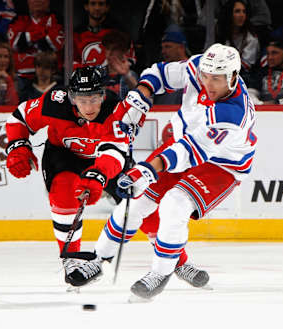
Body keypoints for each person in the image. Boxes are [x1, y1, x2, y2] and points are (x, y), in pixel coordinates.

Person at [66, 44, 257, 300]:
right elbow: (160, 73)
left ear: (233, 76)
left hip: (221, 165)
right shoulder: (200, 66)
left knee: (174, 205)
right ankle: (99, 260)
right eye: (207, 77)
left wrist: (146, 170)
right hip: (183, 143)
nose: (209, 83)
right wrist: (142, 94)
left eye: (217, 79)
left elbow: (190, 152)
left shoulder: (233, 113)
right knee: (135, 203)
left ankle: (161, 272)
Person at [5, 66, 206, 289]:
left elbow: (115, 153)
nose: (89, 107)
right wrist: (18, 146)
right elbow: (19, 117)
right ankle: (71, 259)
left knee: (141, 204)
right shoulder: (54, 102)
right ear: (71, 97)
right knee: (63, 191)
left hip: (108, 160)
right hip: (63, 155)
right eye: (82, 100)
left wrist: (99, 175)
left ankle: (177, 261)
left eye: (94, 98)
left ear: (102, 94)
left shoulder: (117, 111)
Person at [7, 0, 65, 91]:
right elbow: (16, 44)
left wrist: (27, 36)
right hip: (22, 75)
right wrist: (43, 32)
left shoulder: (57, 19)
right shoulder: (19, 19)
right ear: (28, 2)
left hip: (51, 75)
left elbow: (55, 45)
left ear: (48, 2)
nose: (38, 1)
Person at [73, 0, 135, 68]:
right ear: (86, 6)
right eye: (93, 4)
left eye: (101, 4)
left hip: (113, 76)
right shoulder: (77, 34)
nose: (97, 8)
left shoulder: (119, 32)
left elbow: (130, 59)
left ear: (107, 7)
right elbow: (70, 62)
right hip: (85, 77)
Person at [216, 0, 260, 85]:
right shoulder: (221, 33)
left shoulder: (251, 38)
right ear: (229, 14)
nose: (241, 15)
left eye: (244, 11)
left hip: (245, 78)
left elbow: (246, 66)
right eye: (237, 11)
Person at [154, 30, 189, 105]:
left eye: (168, 47)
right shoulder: (161, 72)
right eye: (162, 48)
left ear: (181, 47)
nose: (163, 51)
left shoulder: (192, 70)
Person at [101, 31, 138, 100]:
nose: (109, 53)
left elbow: (141, 97)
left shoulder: (131, 75)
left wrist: (127, 75)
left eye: (114, 49)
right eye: (107, 48)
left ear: (124, 51)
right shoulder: (97, 74)